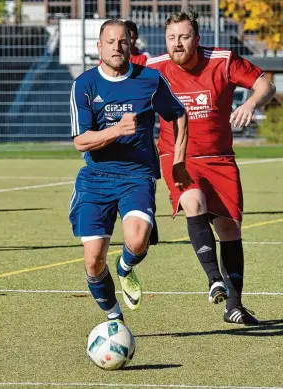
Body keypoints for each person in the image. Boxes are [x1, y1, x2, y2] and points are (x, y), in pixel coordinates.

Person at [147, 9, 276, 325]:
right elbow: (115, 74)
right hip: (178, 156)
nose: (177, 43)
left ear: (197, 38)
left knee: (230, 228)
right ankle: (213, 279)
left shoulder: (223, 60)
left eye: (184, 36)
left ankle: (234, 305)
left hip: (219, 158)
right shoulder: (154, 68)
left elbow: (266, 85)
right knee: (194, 201)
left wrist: (249, 103)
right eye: (172, 37)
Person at [69, 19, 191, 323]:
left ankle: (125, 268)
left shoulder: (150, 80)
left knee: (137, 241)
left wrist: (178, 161)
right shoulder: (84, 84)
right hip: (96, 179)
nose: (117, 47)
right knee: (93, 260)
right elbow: (81, 141)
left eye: (122, 42)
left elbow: (178, 114)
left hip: (137, 175)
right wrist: (117, 130)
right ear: (99, 47)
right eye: (110, 42)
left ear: (130, 45)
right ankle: (114, 318)